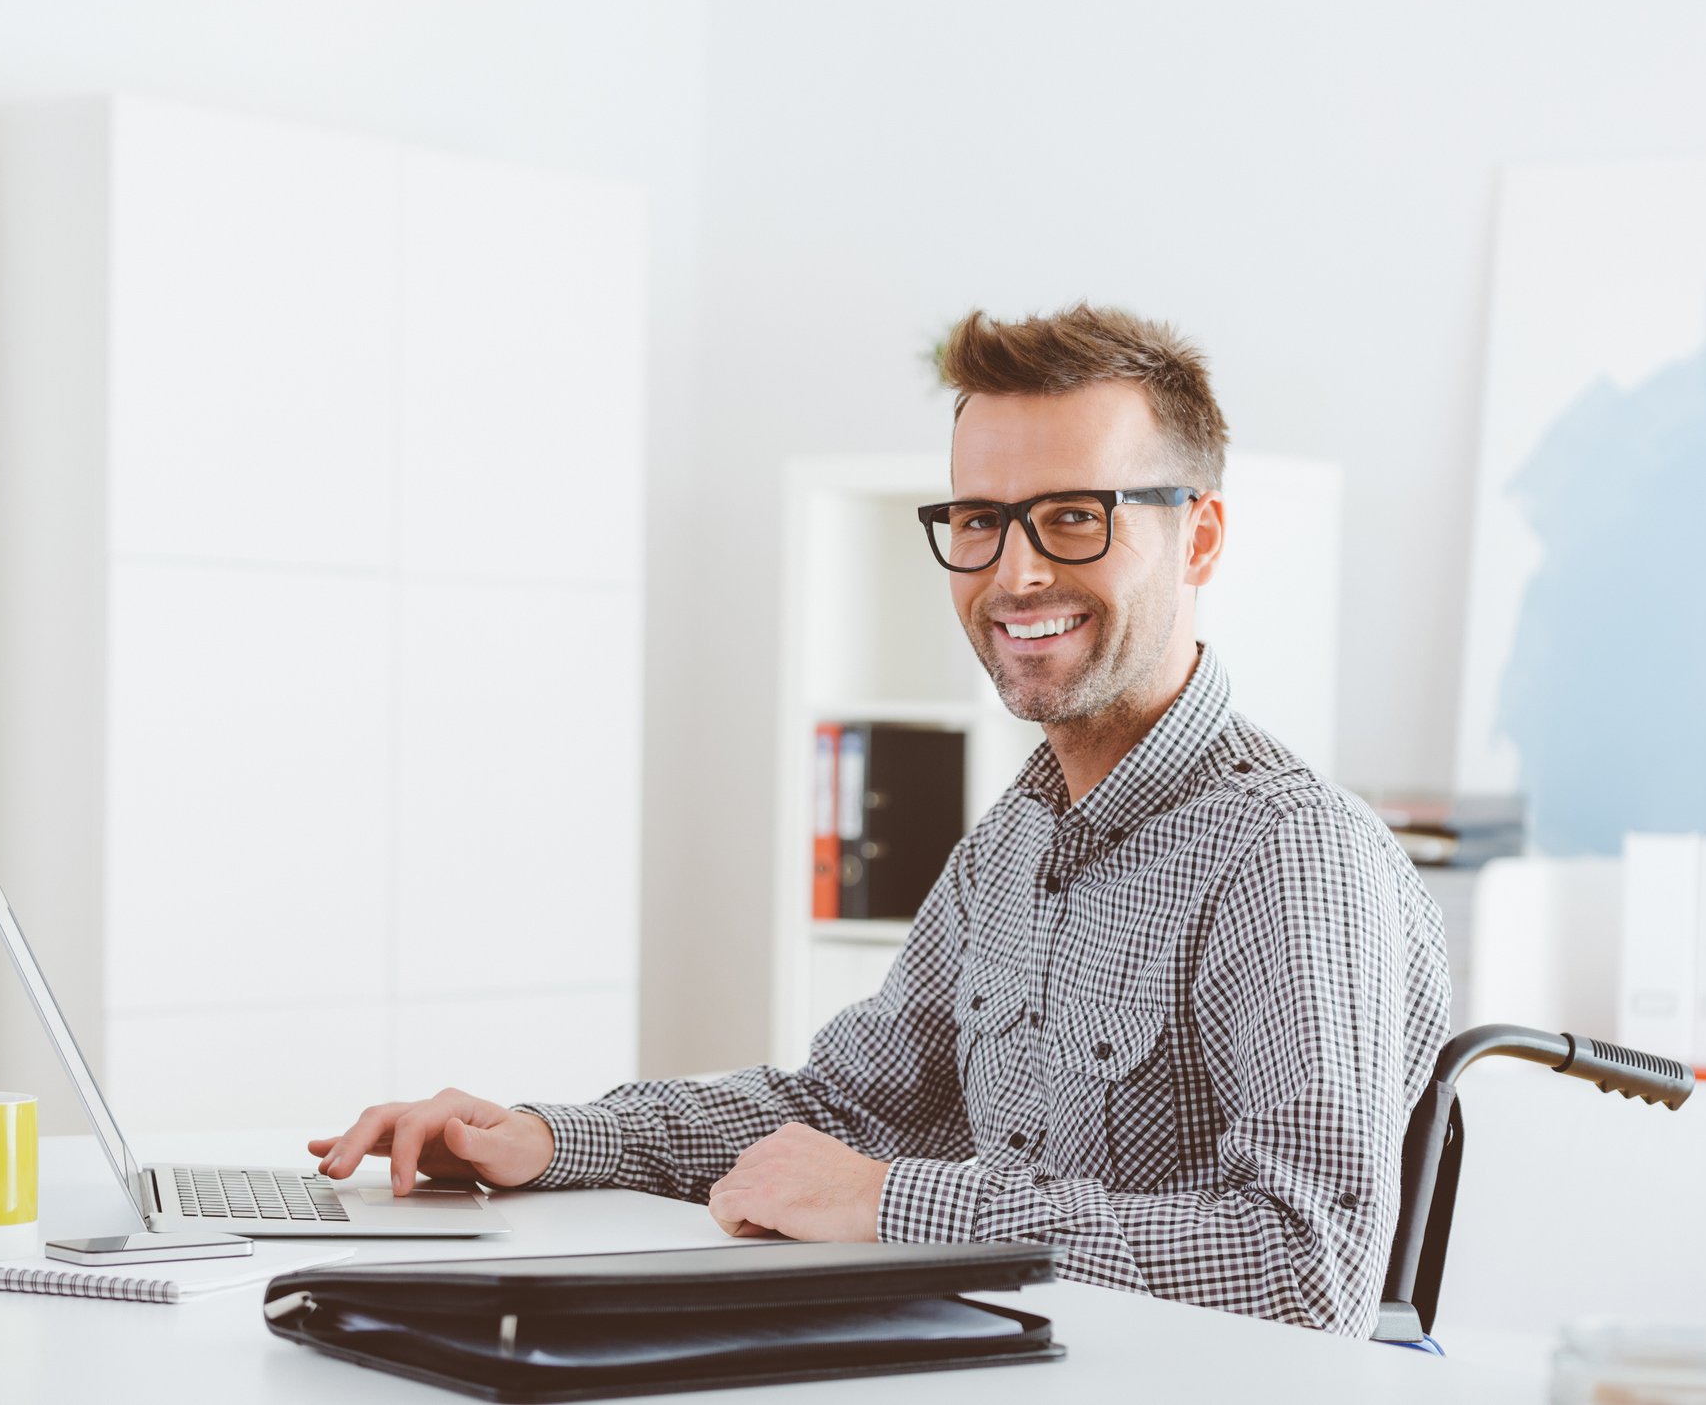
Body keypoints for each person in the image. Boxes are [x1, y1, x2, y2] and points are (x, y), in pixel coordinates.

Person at [311, 303, 1451, 1337]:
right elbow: (843, 1102)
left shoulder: (1292, 855)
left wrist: (889, 1201)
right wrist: (554, 1139)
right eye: (979, 520)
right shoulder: (1015, 838)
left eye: (1071, 517)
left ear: (1198, 536)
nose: (1014, 574)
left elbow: (1309, 1265)